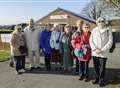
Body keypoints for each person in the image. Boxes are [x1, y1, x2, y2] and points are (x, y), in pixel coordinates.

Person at [89, 17, 113, 87]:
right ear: (97, 23)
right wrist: (95, 49)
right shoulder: (94, 30)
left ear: (105, 22)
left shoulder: (108, 30)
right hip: (95, 52)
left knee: (102, 67)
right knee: (96, 66)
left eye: (102, 21)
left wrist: (102, 49)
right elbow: (91, 40)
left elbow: (110, 41)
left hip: (103, 52)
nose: (101, 22)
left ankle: (101, 79)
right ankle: (96, 78)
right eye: (99, 21)